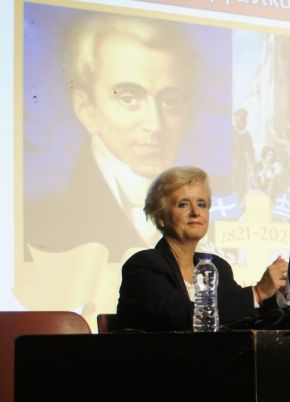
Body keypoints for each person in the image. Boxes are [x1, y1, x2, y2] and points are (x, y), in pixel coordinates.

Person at [26, 14, 194, 261]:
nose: (155, 125)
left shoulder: (214, 208)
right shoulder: (36, 224)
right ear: (86, 109)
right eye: (129, 99)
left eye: (169, 101)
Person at [117, 167, 289, 331]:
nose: (195, 212)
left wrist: (282, 294)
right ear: (160, 217)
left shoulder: (217, 267)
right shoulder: (143, 266)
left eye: (202, 204)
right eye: (183, 204)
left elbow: (244, 317)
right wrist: (258, 292)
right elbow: (180, 318)